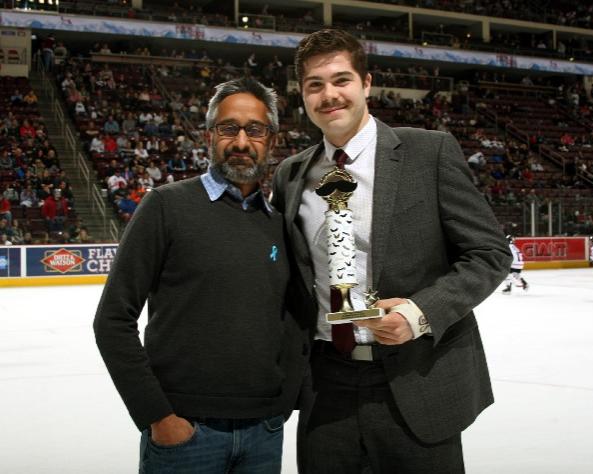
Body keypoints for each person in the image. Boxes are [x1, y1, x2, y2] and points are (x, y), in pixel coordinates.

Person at [272, 29, 511, 473]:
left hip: (415, 378)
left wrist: (418, 314)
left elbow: (489, 253)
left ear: (366, 84)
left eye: (341, 80)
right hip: (328, 386)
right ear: (302, 95)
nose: (329, 95)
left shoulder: (429, 152)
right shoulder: (290, 174)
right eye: (315, 85)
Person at [94, 77, 311, 473]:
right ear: (210, 135)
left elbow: (293, 320)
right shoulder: (165, 206)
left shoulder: (279, 223)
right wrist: (159, 416)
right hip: (185, 434)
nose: (242, 141)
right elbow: (112, 320)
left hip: (263, 432)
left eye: (255, 129)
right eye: (229, 128)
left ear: (272, 140)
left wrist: (282, 404)